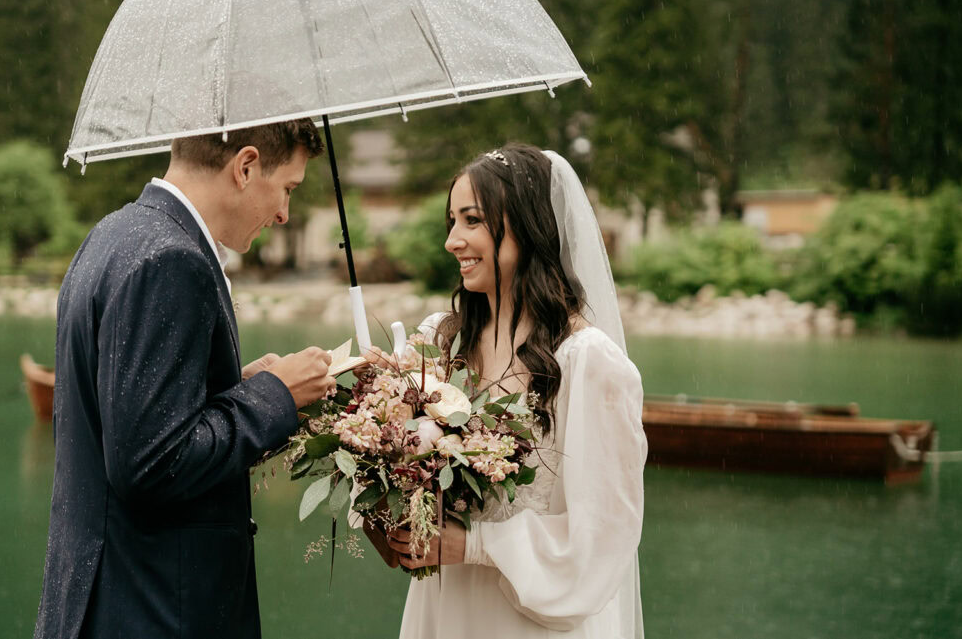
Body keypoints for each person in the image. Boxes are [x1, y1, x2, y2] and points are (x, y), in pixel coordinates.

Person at [33, 120, 336, 639]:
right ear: (245, 167)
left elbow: (127, 416)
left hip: (102, 602)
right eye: (287, 188)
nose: (284, 213)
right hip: (153, 611)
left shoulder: (112, 234)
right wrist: (274, 397)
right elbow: (151, 462)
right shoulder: (172, 258)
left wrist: (231, 389)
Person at [367, 144, 647, 638]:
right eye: (451, 221)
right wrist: (382, 490)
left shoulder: (588, 364)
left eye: (471, 220)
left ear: (529, 226)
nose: (453, 240)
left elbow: (604, 534)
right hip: (442, 607)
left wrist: (475, 545)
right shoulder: (440, 340)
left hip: (529, 619)